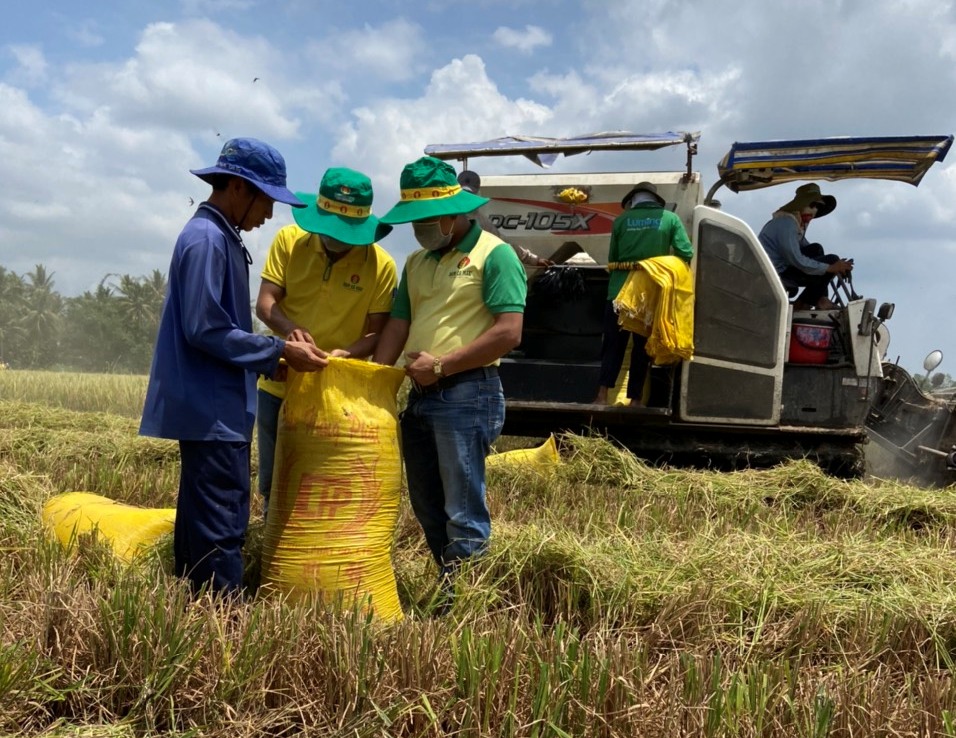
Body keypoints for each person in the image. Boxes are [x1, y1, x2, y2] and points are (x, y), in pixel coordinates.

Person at [140, 137, 328, 596]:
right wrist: (278, 352)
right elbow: (204, 327)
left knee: (201, 525)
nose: (267, 215)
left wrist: (266, 361)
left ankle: (196, 614)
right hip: (212, 411)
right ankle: (224, 623)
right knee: (222, 524)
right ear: (240, 189)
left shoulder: (218, 234)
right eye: (266, 201)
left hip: (214, 406)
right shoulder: (207, 239)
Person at [372, 156, 527, 592]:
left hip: (466, 393)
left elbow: (508, 332)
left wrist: (440, 365)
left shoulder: (495, 255)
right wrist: (375, 379)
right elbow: (399, 324)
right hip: (420, 397)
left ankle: (467, 600)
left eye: (427, 217)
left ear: (455, 210)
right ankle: (449, 586)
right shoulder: (417, 261)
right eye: (414, 218)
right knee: (427, 504)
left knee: (462, 509)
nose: (420, 227)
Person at [255, 167, 397, 514]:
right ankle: (275, 553)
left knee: (325, 483)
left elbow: (379, 332)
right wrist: (291, 331)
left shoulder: (381, 265)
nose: (336, 239)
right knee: (276, 483)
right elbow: (265, 304)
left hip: (337, 393)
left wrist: (346, 353)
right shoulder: (289, 241)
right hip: (280, 383)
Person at [594, 182, 693, 406]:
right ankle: (635, 400)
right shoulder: (670, 219)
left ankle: (601, 396)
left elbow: (614, 257)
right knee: (641, 348)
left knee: (613, 346)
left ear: (632, 201)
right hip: (648, 294)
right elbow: (686, 252)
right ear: (655, 200)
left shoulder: (620, 221)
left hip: (618, 293)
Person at [758, 183, 854, 311]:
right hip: (776, 273)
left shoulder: (796, 222)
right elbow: (796, 259)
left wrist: (839, 265)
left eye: (818, 207)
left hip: (784, 269)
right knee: (831, 259)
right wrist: (831, 267)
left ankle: (821, 298)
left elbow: (808, 249)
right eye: (812, 205)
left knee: (817, 249)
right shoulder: (787, 223)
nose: (814, 210)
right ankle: (803, 303)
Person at [457, 170, 554, 267]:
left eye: (471, 195)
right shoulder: (447, 215)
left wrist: (533, 259)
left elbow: (503, 242)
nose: (467, 198)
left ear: (478, 194)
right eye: (463, 194)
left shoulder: (483, 222)